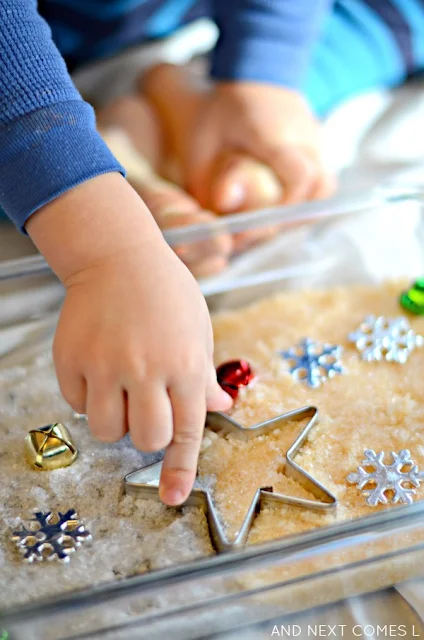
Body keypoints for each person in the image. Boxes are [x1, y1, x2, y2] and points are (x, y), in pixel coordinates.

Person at [1, 0, 423, 507]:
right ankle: (133, 142)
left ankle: (162, 133)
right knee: (35, 176)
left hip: (188, 16)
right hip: (32, 50)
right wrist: (109, 250)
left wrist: (263, 74)